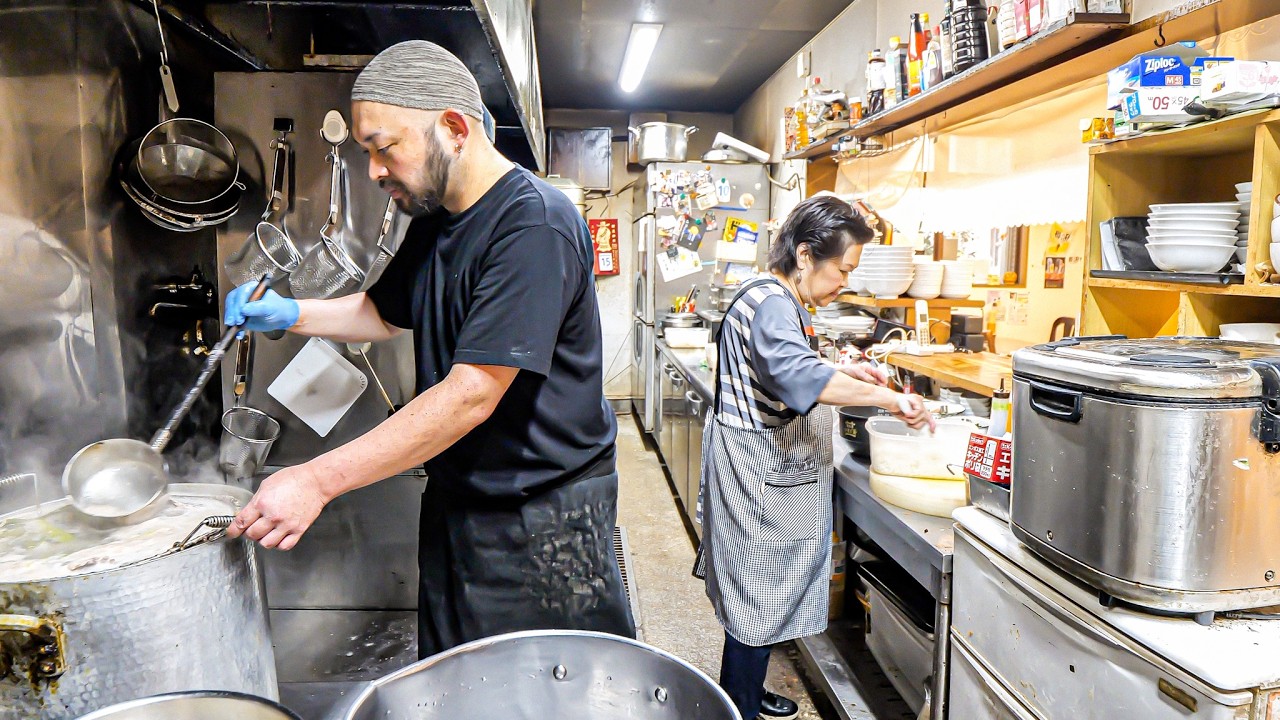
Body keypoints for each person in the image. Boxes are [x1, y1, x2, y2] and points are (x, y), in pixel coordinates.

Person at [222, 40, 635, 657]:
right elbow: (381, 312)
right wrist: (286, 312)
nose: (374, 170)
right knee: (456, 675)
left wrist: (315, 479)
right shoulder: (438, 220)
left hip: (541, 517)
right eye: (366, 152)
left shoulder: (534, 224)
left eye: (383, 147)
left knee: (545, 688)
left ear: (453, 127)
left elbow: (472, 394)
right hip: (461, 503)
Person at [696, 196, 934, 720]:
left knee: (772, 586)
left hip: (784, 474)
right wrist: (890, 398)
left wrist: (854, 372)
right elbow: (799, 377)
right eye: (842, 270)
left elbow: (798, 362)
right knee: (758, 593)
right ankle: (737, 706)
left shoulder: (781, 297)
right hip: (764, 474)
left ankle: (746, 689)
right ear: (805, 255)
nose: (844, 282)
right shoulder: (772, 302)